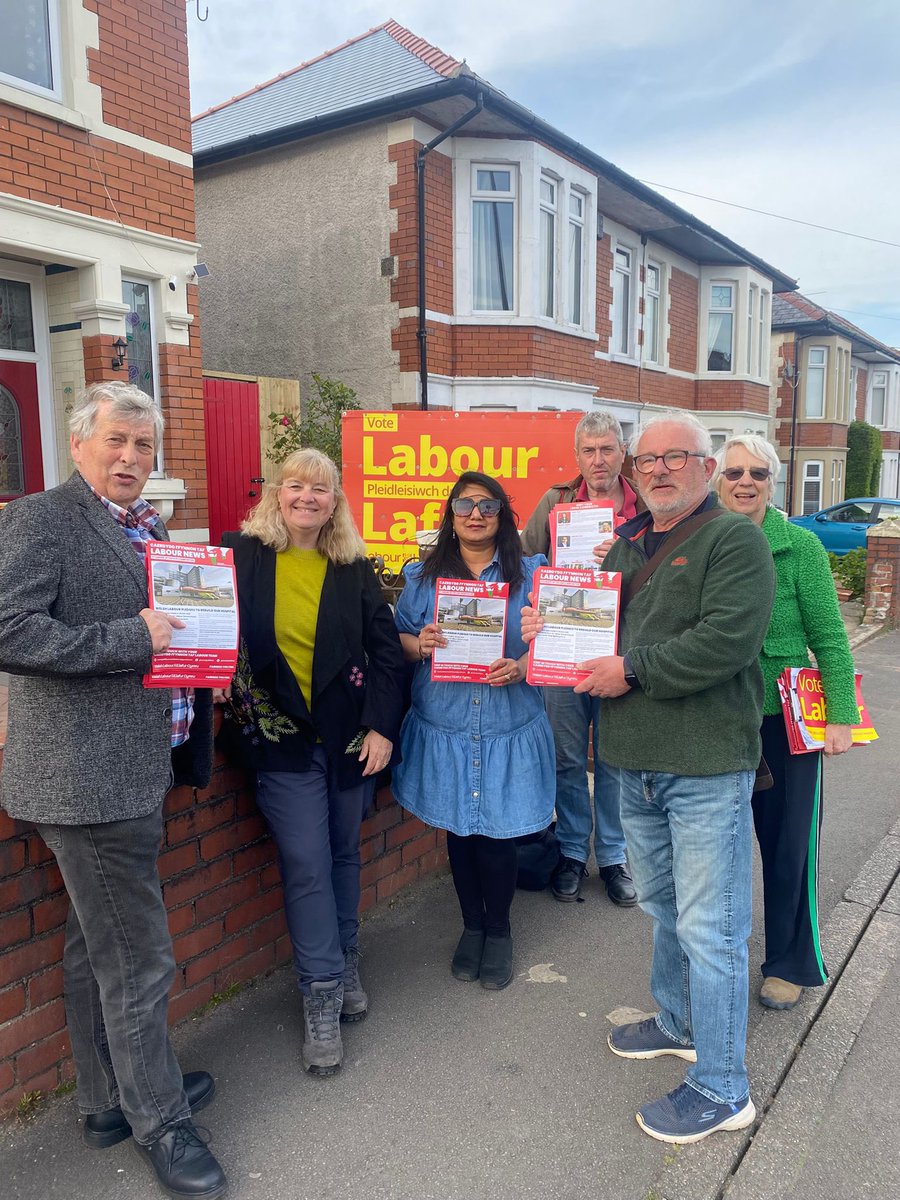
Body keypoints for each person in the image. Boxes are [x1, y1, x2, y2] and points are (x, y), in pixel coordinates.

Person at [523, 410, 775, 1144]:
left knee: (713, 926)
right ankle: (680, 1021)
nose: (660, 469)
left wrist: (629, 668)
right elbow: (587, 626)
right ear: (634, 474)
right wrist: (550, 629)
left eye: (678, 457)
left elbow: (725, 643)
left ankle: (724, 1087)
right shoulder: (627, 545)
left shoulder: (735, 539)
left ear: (705, 467)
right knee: (664, 906)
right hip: (632, 766)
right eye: (649, 461)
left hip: (702, 766)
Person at [0, 383, 225, 1198]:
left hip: (134, 768)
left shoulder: (149, 527)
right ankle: (161, 1121)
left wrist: (205, 671)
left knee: (97, 948)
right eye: (117, 441)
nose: (132, 458)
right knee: (139, 958)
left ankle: (106, 1101)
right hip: (83, 779)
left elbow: (177, 626)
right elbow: (9, 629)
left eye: (143, 446)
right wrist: (133, 639)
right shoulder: (42, 517)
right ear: (79, 443)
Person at [220, 448, 405, 1077]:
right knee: (306, 864)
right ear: (276, 493)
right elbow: (202, 626)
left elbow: (386, 654)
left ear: (336, 501)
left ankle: (346, 959)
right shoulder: (239, 554)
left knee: (345, 853)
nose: (307, 497)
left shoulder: (352, 565)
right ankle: (321, 994)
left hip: (349, 736)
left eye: (320, 490)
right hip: (279, 739)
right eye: (295, 486)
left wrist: (382, 725)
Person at [392, 472, 555, 990]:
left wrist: (527, 664)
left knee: (498, 832)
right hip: (448, 725)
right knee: (460, 831)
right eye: (465, 504)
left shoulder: (532, 575)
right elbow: (394, 640)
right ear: (451, 514)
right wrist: (421, 643)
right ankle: (471, 927)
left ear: (504, 515)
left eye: (488, 506)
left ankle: (500, 931)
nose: (476, 514)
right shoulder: (422, 576)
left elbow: (565, 641)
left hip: (508, 724)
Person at [714, 435, 856, 1010]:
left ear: (773, 483)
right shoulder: (702, 542)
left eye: (757, 473)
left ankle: (791, 961)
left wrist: (841, 717)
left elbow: (830, 638)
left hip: (788, 721)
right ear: (716, 479)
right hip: (718, 715)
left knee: (789, 845)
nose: (744, 482)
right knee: (713, 850)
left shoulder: (800, 546)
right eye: (733, 473)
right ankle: (712, 959)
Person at [520, 411, 641, 905]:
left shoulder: (644, 506)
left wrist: (623, 558)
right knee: (568, 757)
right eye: (589, 451)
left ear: (621, 452)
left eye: (607, 449)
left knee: (614, 759)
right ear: (577, 457)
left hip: (621, 651)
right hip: (563, 648)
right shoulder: (556, 501)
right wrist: (533, 605)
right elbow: (526, 559)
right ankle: (572, 850)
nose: (598, 460)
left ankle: (613, 857)